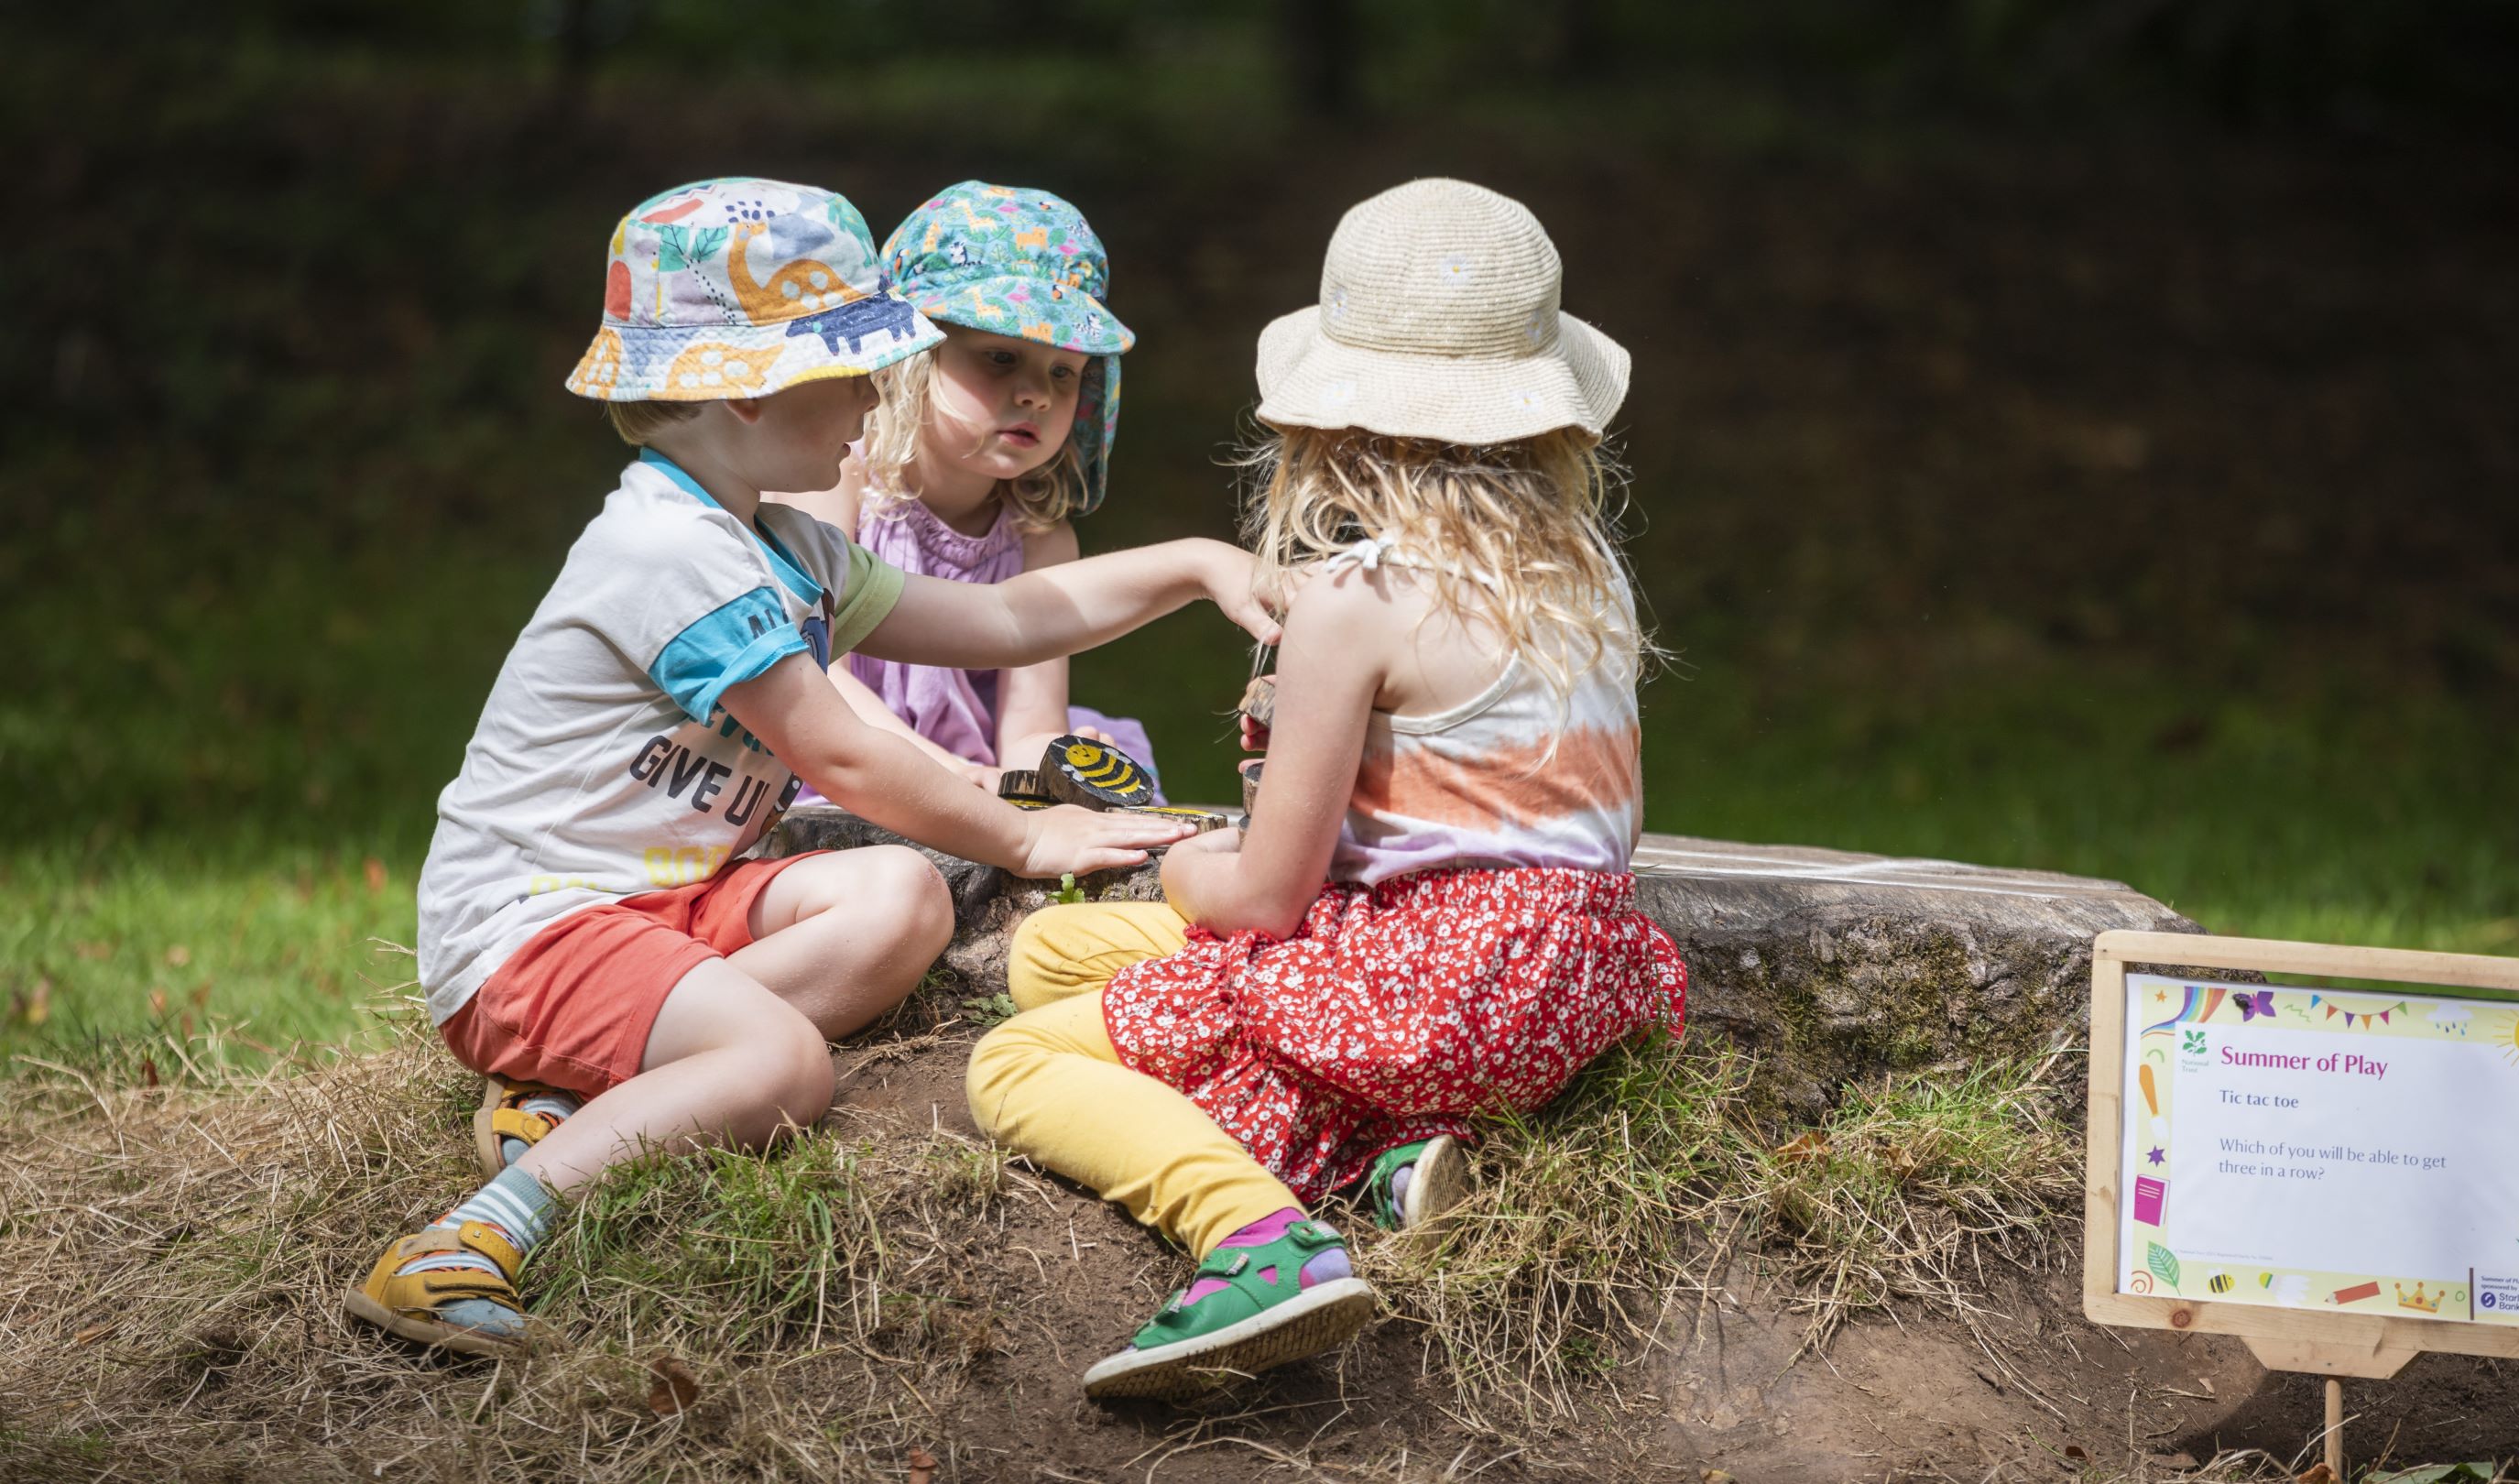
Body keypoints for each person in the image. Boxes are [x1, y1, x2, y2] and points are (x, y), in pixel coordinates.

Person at [345, 178, 1277, 1359]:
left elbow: (1000, 622)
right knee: (786, 1065)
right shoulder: (670, 551)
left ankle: (583, 1097)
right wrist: (1032, 838)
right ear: (742, 389)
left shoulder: (782, 542)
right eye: (849, 371)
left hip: (662, 904)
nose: (871, 392)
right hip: (534, 931)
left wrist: (1197, 563)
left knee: (904, 895)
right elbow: (836, 749)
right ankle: (470, 1240)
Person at [965, 178, 1688, 1400]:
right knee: (1054, 959)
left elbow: (1260, 900)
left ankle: (1257, 1242)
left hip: (1427, 987)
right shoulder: (1586, 573)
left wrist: (1182, 861)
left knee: (1017, 1063)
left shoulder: (1358, 601)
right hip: (1565, 987)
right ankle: (1399, 1156)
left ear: (1330, 423)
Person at [773, 181, 1158, 798]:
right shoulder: (839, 481)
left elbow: (1030, 726)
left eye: (1064, 371)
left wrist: (1041, 777)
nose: (1038, 393)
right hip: (833, 765)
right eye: (1000, 357)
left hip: (969, 774)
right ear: (914, 355)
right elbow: (814, 678)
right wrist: (946, 776)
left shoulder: (1040, 539)